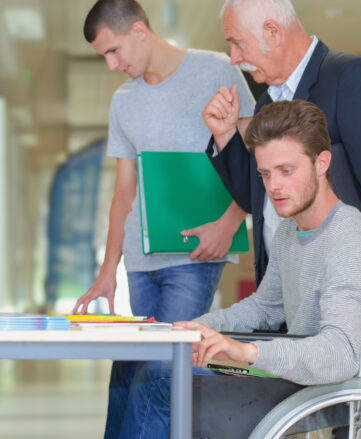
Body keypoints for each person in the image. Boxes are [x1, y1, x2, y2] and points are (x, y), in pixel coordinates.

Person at [117, 99, 361, 438]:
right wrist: (195, 327)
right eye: (265, 173)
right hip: (286, 376)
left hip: (319, 387)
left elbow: (340, 354)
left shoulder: (350, 237)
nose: (273, 186)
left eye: (286, 171)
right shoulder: (290, 231)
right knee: (150, 368)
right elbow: (264, 307)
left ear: (322, 163)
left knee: (160, 377)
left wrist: (247, 353)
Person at [69, 1, 255, 437]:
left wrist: (230, 224)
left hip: (195, 255)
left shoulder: (218, 71)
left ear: (138, 31)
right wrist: (106, 270)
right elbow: (123, 192)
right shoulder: (124, 102)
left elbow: (253, 159)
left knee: (162, 372)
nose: (113, 65)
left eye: (114, 51)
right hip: (140, 261)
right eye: (104, 58)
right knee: (131, 368)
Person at [201, 0, 361, 329]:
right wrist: (224, 135)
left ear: (272, 31)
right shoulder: (268, 103)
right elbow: (254, 199)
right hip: (286, 294)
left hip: (343, 292)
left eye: (237, 43)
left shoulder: (350, 79)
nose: (234, 58)